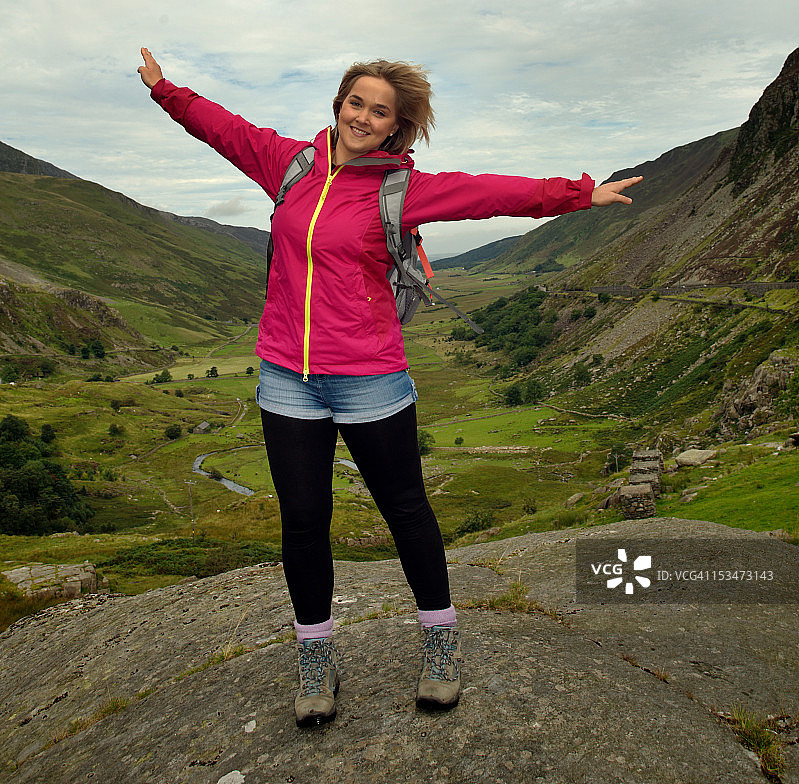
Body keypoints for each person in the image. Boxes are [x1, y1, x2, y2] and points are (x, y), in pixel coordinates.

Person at [137, 47, 642, 727]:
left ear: (395, 127)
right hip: (288, 375)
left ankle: (439, 642)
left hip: (368, 377)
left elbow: (492, 192)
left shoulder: (400, 189)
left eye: (380, 111)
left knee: (406, 510)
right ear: (338, 104)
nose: (363, 117)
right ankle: (315, 657)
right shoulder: (288, 165)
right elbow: (221, 126)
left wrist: (579, 194)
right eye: (356, 103)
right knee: (305, 521)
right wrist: (166, 90)